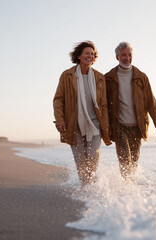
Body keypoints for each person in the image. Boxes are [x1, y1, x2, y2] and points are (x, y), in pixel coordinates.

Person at [53, 41, 111, 184]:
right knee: (80, 160)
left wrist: (106, 126)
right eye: (87, 53)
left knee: (93, 157)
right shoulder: (67, 75)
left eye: (92, 54)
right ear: (79, 55)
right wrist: (60, 120)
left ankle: (91, 185)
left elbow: (103, 104)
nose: (90, 56)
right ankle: (86, 190)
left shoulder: (99, 77)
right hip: (74, 124)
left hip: (95, 124)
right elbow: (58, 99)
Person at [105, 42, 156, 180]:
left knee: (134, 161)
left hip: (138, 126)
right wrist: (105, 126)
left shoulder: (141, 77)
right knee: (125, 158)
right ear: (117, 57)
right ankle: (127, 192)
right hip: (119, 125)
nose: (127, 58)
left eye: (129, 54)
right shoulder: (108, 78)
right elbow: (104, 104)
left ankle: (130, 189)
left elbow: (151, 102)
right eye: (123, 55)